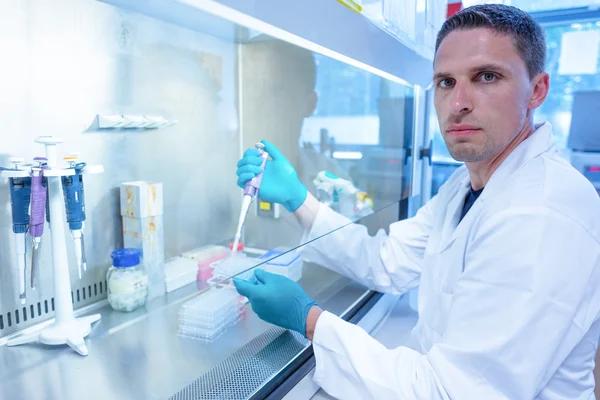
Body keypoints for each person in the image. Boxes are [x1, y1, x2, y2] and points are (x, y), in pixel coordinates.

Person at [233, 4, 600, 399]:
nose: (458, 102)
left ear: (537, 90)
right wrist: (297, 197)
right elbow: (386, 261)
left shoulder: (543, 215)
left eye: (487, 77)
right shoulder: (469, 183)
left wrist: (309, 320)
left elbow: (451, 392)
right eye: (445, 82)